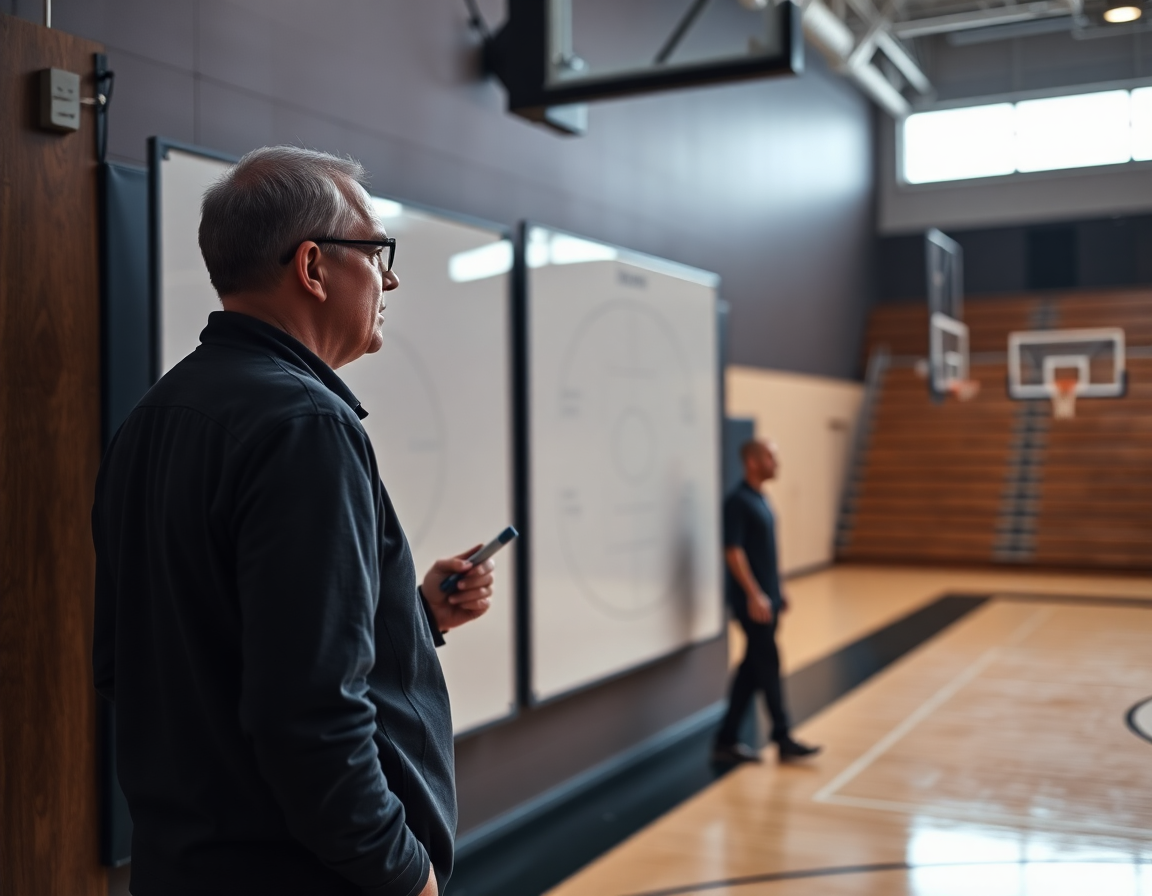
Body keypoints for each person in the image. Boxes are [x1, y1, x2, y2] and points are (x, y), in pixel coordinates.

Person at [92, 146, 493, 896]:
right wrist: (401, 872)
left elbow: (152, 659)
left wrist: (410, 617)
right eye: (377, 252)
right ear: (312, 266)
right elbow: (309, 713)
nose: (391, 277)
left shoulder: (151, 421)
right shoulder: (305, 424)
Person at [712, 438, 821, 765]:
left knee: (750, 671)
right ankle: (782, 735)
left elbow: (767, 552)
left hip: (768, 599)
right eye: (771, 458)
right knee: (769, 663)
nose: (777, 463)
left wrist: (779, 588)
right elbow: (733, 551)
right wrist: (754, 593)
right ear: (753, 462)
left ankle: (725, 741)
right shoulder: (737, 502)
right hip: (752, 604)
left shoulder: (761, 499)